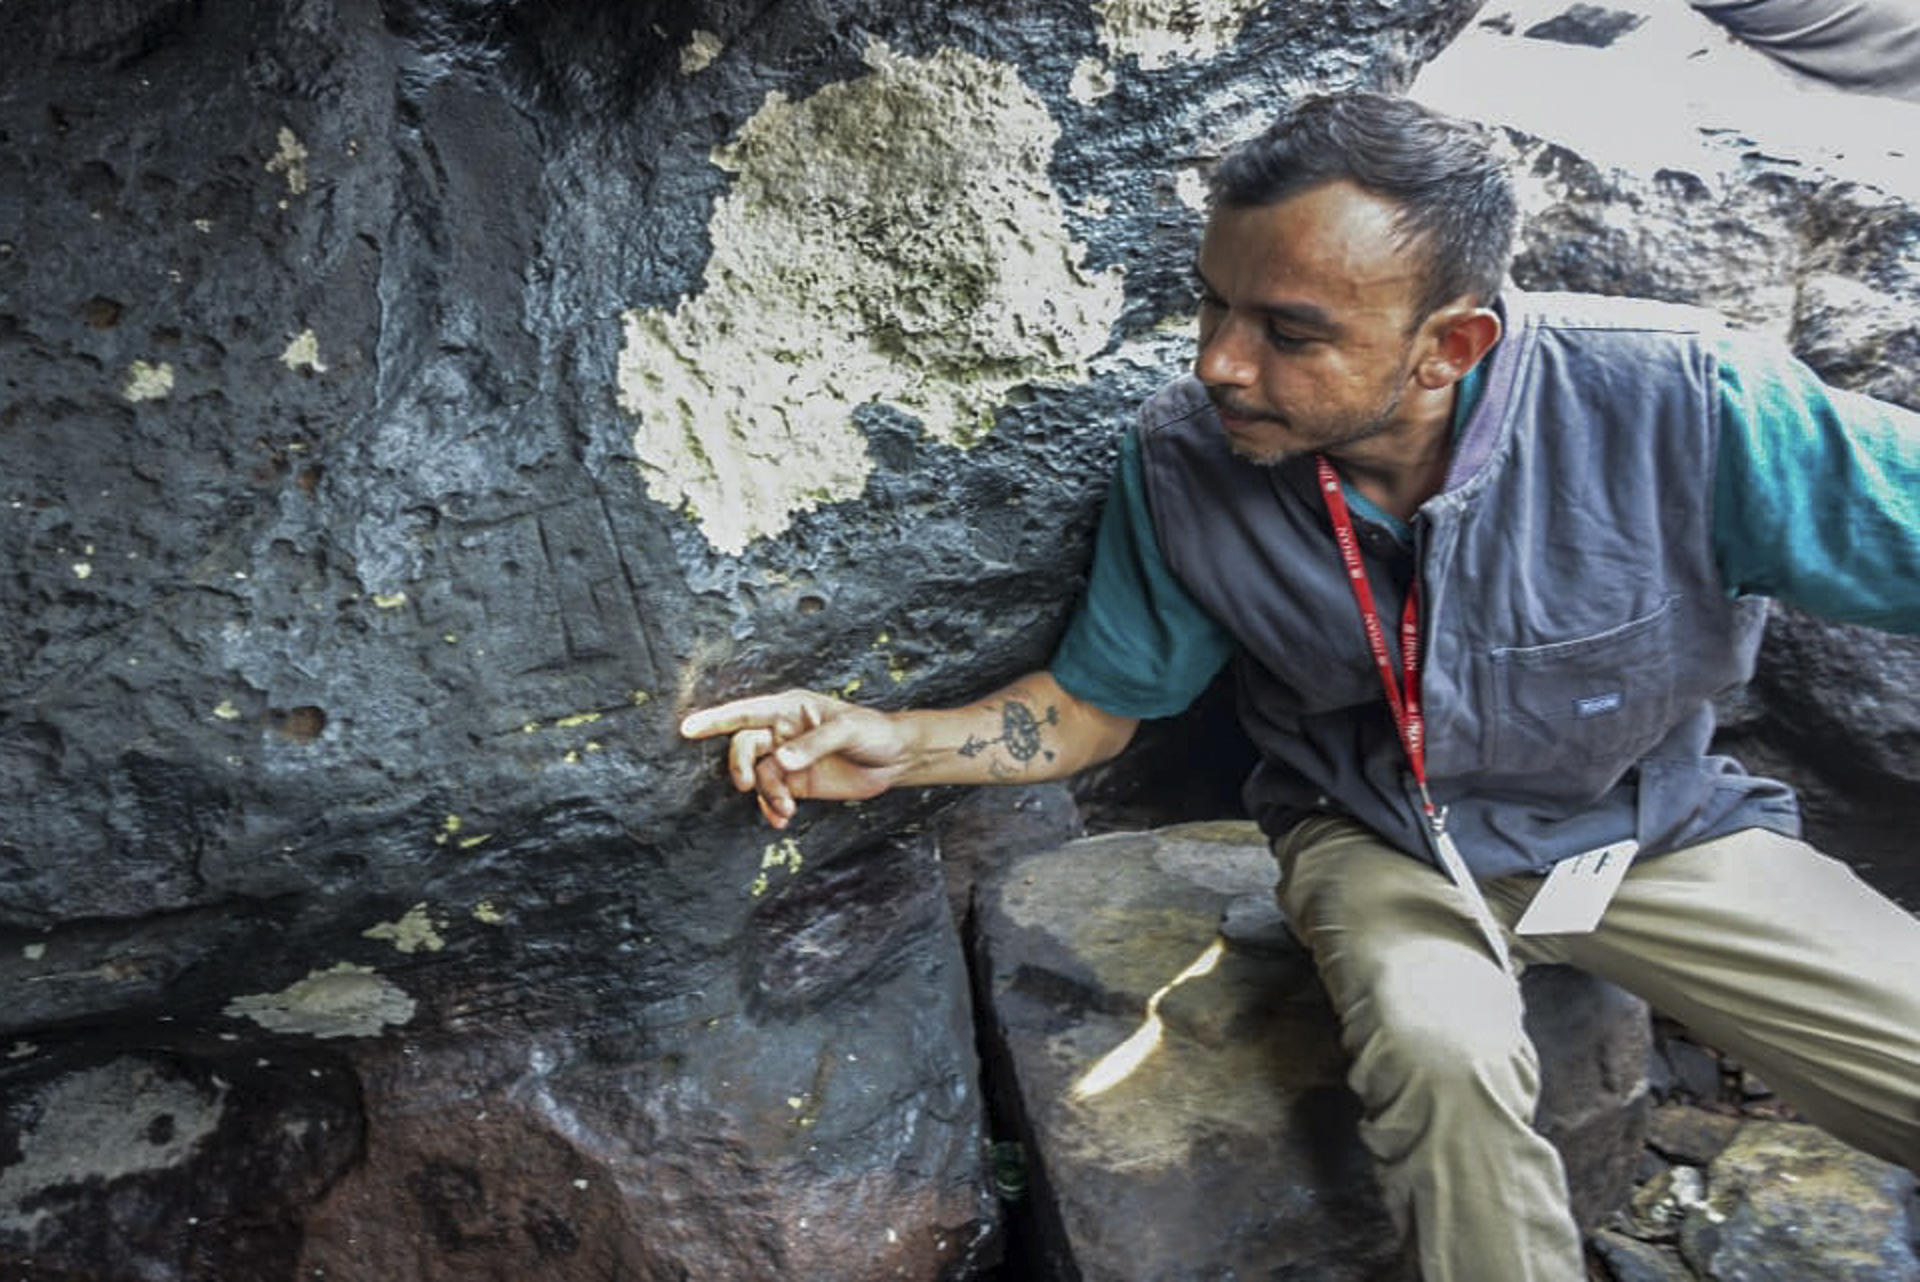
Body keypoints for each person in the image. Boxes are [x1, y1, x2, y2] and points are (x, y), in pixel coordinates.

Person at [681, 92, 1920, 1280]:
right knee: (1440, 1056)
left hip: (1648, 830)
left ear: (1451, 346)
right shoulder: (1181, 459)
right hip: (1378, 840)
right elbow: (1096, 704)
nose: (1219, 362)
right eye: (1211, 303)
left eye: (1288, 331)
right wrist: (899, 742)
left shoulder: (1689, 403)